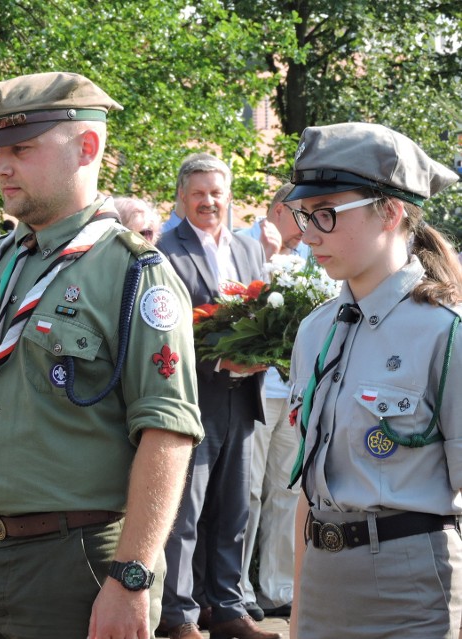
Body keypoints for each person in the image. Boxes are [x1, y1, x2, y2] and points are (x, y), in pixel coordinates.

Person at [0, 71, 204, 639]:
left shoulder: (133, 273)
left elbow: (168, 432)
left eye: (22, 149)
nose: (2, 166)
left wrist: (131, 576)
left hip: (76, 562)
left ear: (88, 147)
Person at [286, 122, 462, 638]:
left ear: (391, 211)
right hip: (322, 576)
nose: (308, 232)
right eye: (303, 214)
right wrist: (299, 616)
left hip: (410, 589)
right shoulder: (315, 329)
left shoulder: (444, 332)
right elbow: (310, 490)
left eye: (326, 214)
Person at [157, 153, 281, 639]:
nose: (210, 201)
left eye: (216, 192)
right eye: (199, 193)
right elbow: (161, 331)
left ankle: (228, 610)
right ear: (182, 199)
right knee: (185, 513)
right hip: (193, 397)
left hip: (244, 397)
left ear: (228, 196)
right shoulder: (165, 251)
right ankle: (179, 615)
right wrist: (216, 361)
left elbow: (263, 316)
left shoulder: (250, 251)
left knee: (233, 509)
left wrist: (273, 350)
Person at [236, 183, 309, 619]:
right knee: (247, 492)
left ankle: (277, 587)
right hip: (255, 390)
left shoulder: (308, 256)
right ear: (280, 211)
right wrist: (265, 259)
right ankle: (237, 588)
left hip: (293, 392)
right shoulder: (244, 246)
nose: (311, 228)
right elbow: (235, 312)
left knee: (287, 487)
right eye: (304, 217)